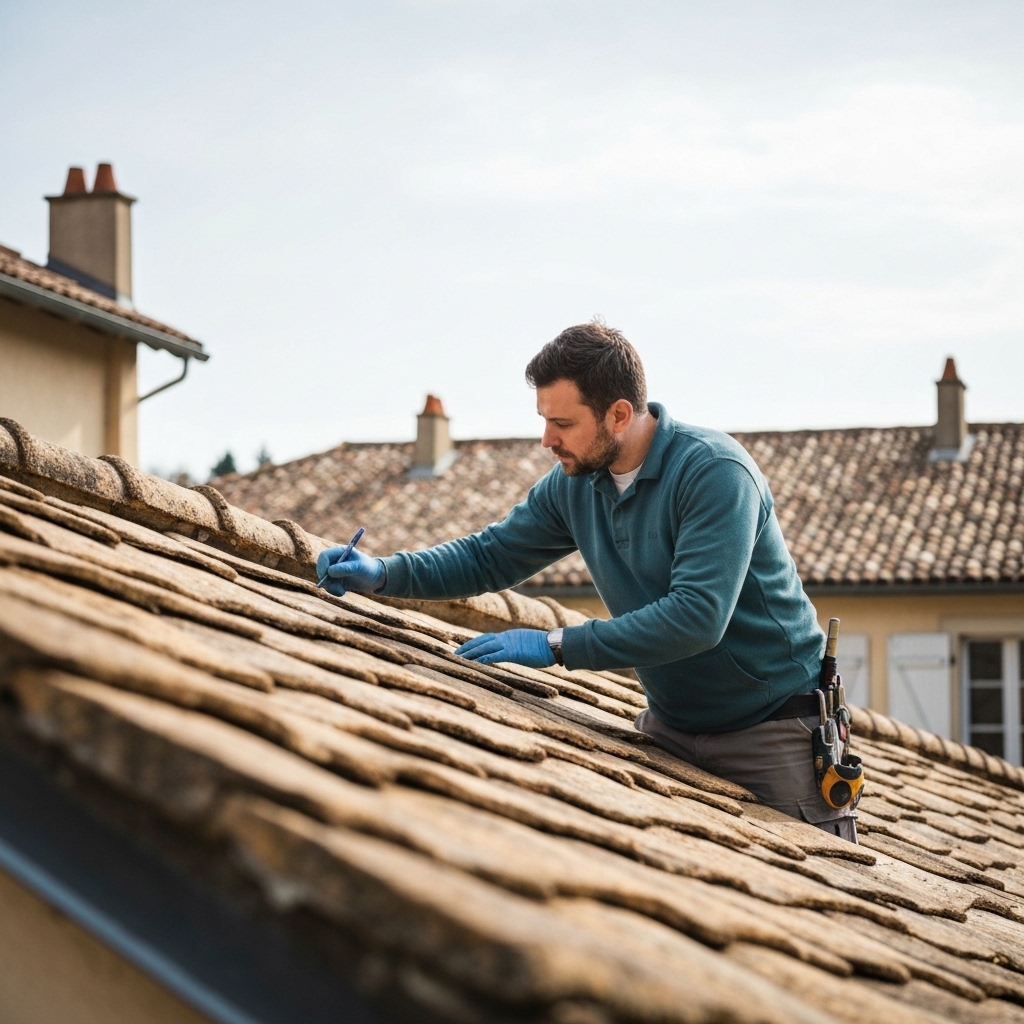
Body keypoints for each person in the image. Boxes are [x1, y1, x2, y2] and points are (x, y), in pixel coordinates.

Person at [318, 322, 856, 842]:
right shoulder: (574, 484)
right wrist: (385, 573)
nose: (547, 439)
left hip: (775, 737)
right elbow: (490, 555)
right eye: (543, 419)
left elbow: (697, 617)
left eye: (563, 423)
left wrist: (557, 645)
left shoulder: (714, 473)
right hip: (671, 730)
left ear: (619, 414)